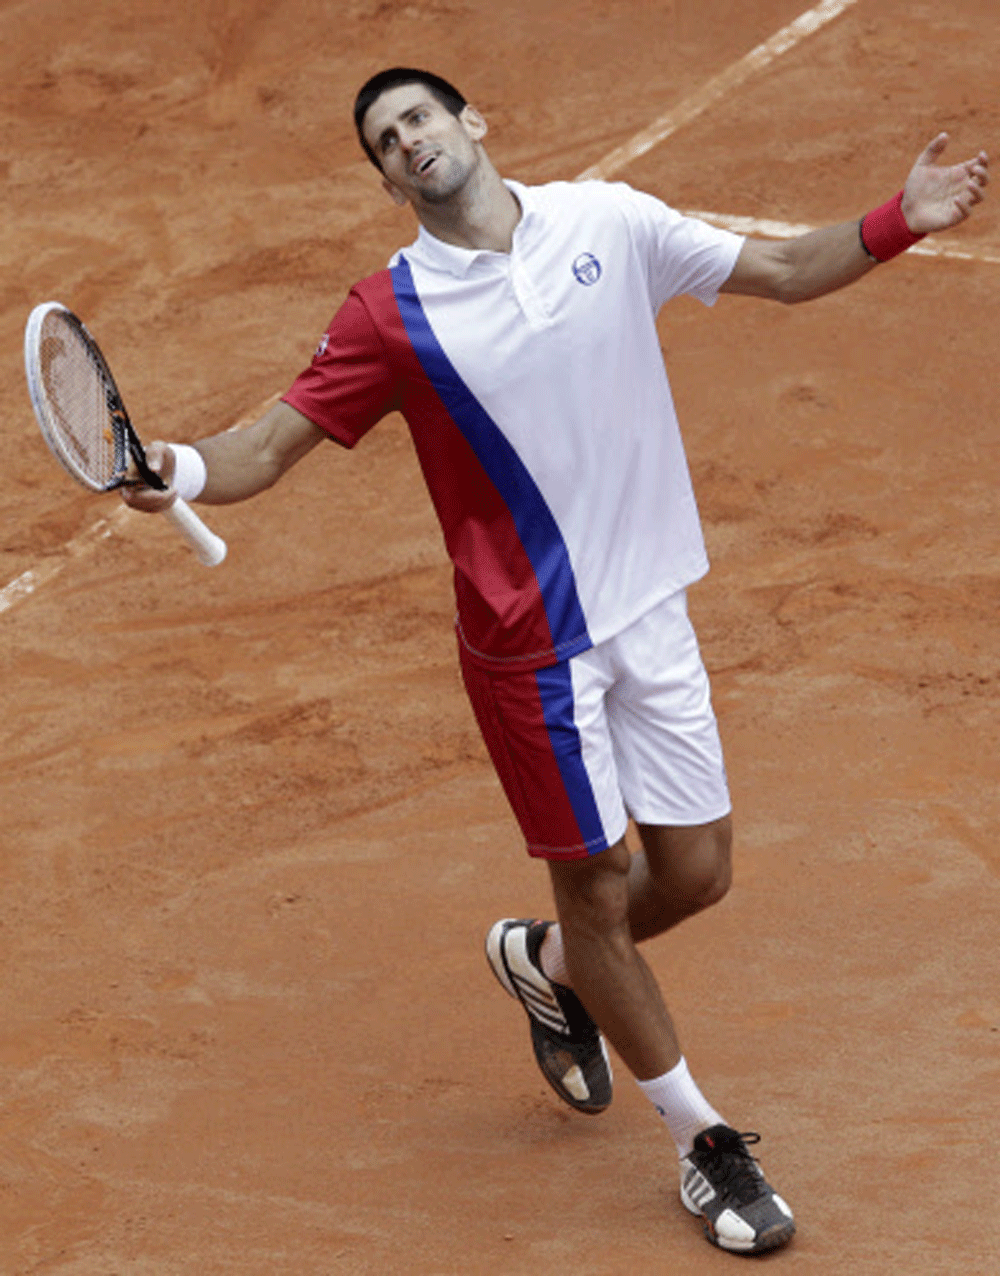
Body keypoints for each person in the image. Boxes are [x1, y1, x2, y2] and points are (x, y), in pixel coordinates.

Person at [123, 67, 989, 1255]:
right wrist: (172, 467)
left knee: (696, 875)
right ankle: (701, 1140)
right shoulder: (389, 315)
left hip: (650, 608)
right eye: (385, 141)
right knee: (596, 889)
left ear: (470, 122)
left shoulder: (606, 220)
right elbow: (267, 447)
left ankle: (542, 962)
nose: (408, 141)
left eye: (420, 117)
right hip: (532, 651)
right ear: (385, 183)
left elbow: (785, 267)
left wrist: (901, 219)